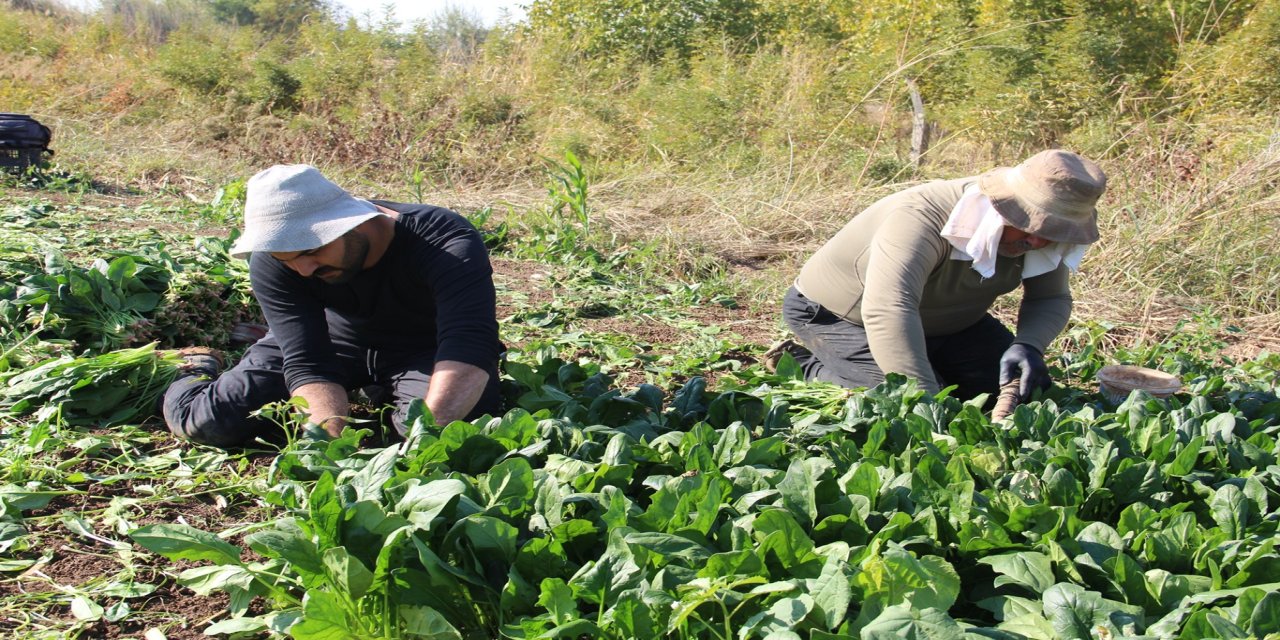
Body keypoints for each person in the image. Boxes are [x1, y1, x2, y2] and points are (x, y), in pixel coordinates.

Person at [161, 164, 503, 447]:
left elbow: (469, 344)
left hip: (425, 348)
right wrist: (333, 442)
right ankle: (193, 367)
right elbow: (308, 360)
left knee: (452, 426)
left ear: (351, 223)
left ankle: (381, 389)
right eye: (289, 259)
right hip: (330, 340)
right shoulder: (275, 262)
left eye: (311, 251)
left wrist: (423, 439)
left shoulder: (443, 240)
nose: (304, 269)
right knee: (208, 424)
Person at [766, 149, 1106, 403]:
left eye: (1050, 232)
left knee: (1022, 390)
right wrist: (926, 400)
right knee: (898, 397)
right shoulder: (922, 217)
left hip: (948, 323)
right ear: (1003, 206)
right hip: (841, 317)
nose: (1036, 241)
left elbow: (1050, 297)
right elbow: (889, 309)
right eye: (1028, 226)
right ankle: (801, 363)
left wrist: (1029, 345)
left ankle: (929, 361)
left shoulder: (1041, 239)